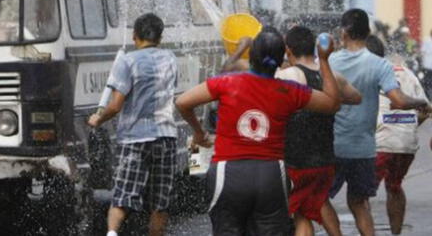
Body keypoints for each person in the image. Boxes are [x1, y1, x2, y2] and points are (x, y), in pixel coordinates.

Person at [175, 27, 342, 236]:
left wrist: (199, 133)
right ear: (282, 59)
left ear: (251, 57)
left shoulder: (226, 83)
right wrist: (324, 60)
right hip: (271, 175)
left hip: (229, 173)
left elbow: (182, 102)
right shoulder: (289, 91)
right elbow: (332, 103)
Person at [87, 13, 208, 236]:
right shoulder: (170, 58)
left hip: (134, 139)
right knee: (160, 203)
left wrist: (98, 118)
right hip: (166, 139)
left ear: (135, 36)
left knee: (122, 197)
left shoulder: (127, 61)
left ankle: (112, 233)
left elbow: (115, 106)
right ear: (160, 38)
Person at [326, 9, 429, 236]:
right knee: (359, 203)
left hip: (335, 146)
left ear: (343, 33)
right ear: (368, 32)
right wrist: (418, 101)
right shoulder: (379, 64)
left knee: (320, 199)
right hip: (364, 150)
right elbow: (399, 101)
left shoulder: (330, 61)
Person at [276, 26, 362, 236]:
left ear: (288, 50)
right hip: (325, 156)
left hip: (298, 158)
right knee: (320, 201)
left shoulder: (287, 75)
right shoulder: (332, 76)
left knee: (302, 213)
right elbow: (356, 97)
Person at [366, 35, 431, 235]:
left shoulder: (367, 72)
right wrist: (408, 125)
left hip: (380, 145)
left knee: (360, 195)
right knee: (394, 186)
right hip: (405, 146)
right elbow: (425, 109)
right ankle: (396, 233)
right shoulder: (406, 72)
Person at [420, 29, 432, 97]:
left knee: (427, 81)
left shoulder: (426, 41)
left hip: (427, 65)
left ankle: (428, 95)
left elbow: (422, 51)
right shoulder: (427, 41)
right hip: (429, 64)